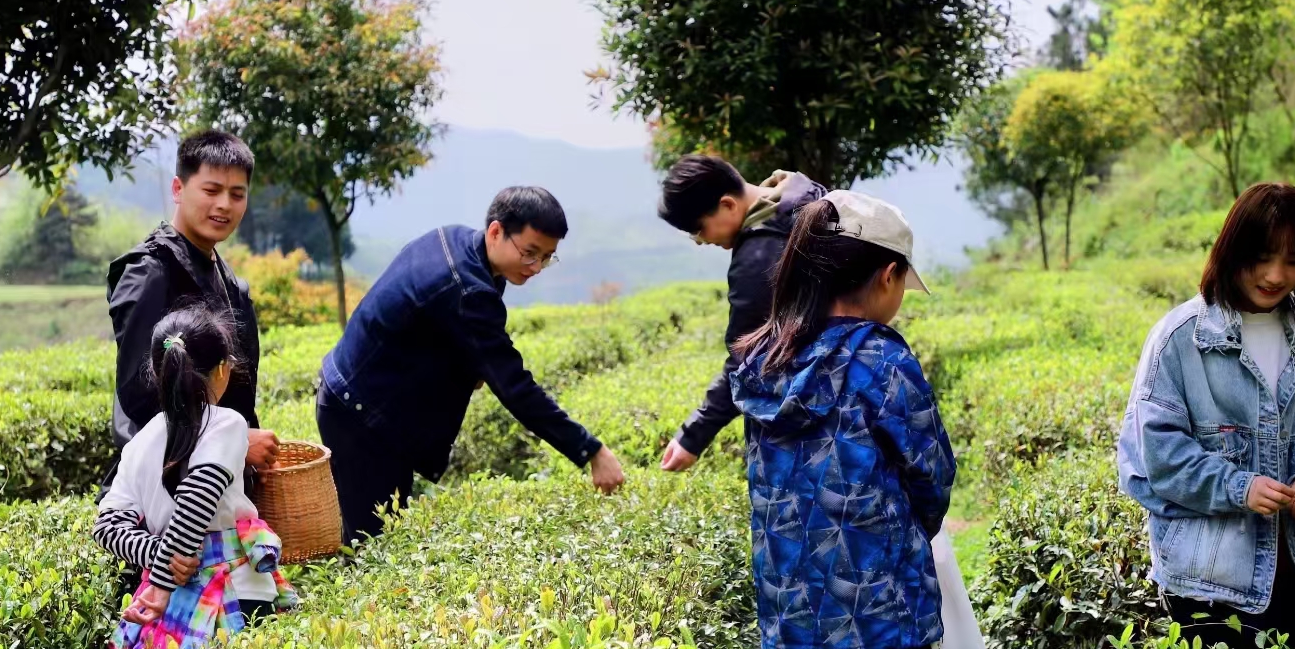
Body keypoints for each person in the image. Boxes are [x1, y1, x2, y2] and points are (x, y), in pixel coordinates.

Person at [730, 191, 983, 649]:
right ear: (885, 277)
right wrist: (905, 537)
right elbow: (931, 472)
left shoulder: (759, 362)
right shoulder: (880, 359)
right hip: (884, 609)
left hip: (798, 615)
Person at [1117, 182, 1295, 649]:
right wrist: (1239, 487)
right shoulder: (1180, 338)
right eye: (1263, 256)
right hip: (1207, 582)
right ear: (1232, 250)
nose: (1276, 275)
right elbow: (1157, 455)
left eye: (1294, 261)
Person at [317, 186, 625, 541]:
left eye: (547, 257)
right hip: (360, 419)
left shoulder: (456, 239)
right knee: (372, 544)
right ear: (496, 232)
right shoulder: (469, 289)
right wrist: (591, 450)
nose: (537, 267)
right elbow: (515, 388)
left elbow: (438, 329)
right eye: (529, 253)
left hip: (354, 397)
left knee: (385, 532)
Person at [93, 306, 297, 649]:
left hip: (169, 608)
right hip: (234, 592)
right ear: (223, 370)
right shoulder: (227, 423)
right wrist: (168, 575)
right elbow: (199, 494)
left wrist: (157, 556)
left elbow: (107, 525)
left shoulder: (140, 442)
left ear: (158, 372)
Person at [106, 130, 278, 480]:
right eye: (211, 190)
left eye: (237, 194)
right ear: (178, 189)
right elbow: (141, 398)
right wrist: (235, 441)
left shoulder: (228, 281)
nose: (224, 205)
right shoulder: (150, 273)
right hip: (163, 487)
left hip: (216, 479)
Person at [654, 154, 824, 471]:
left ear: (729, 205)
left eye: (699, 229)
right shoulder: (807, 197)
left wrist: (692, 437)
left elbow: (748, 359)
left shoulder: (760, 254)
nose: (700, 241)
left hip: (815, 425)